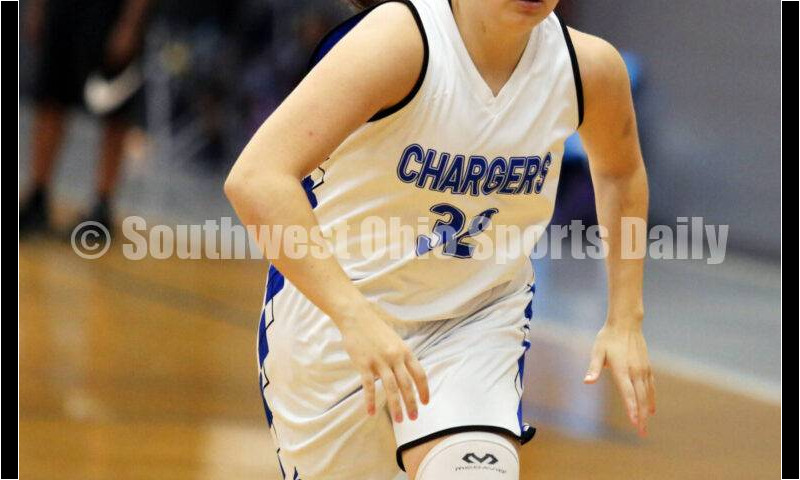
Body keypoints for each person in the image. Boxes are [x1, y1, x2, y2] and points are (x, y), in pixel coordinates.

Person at [225, 0, 655, 478]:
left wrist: (625, 318)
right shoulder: (400, 41)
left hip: (475, 320)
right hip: (338, 320)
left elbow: (620, 172)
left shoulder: (587, 68)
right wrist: (352, 314)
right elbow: (257, 178)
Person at [20, 0, 151, 234]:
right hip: (63, 9)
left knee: (115, 103)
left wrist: (131, 22)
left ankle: (102, 207)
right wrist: (37, 6)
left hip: (113, 11)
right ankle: (38, 196)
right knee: (50, 95)